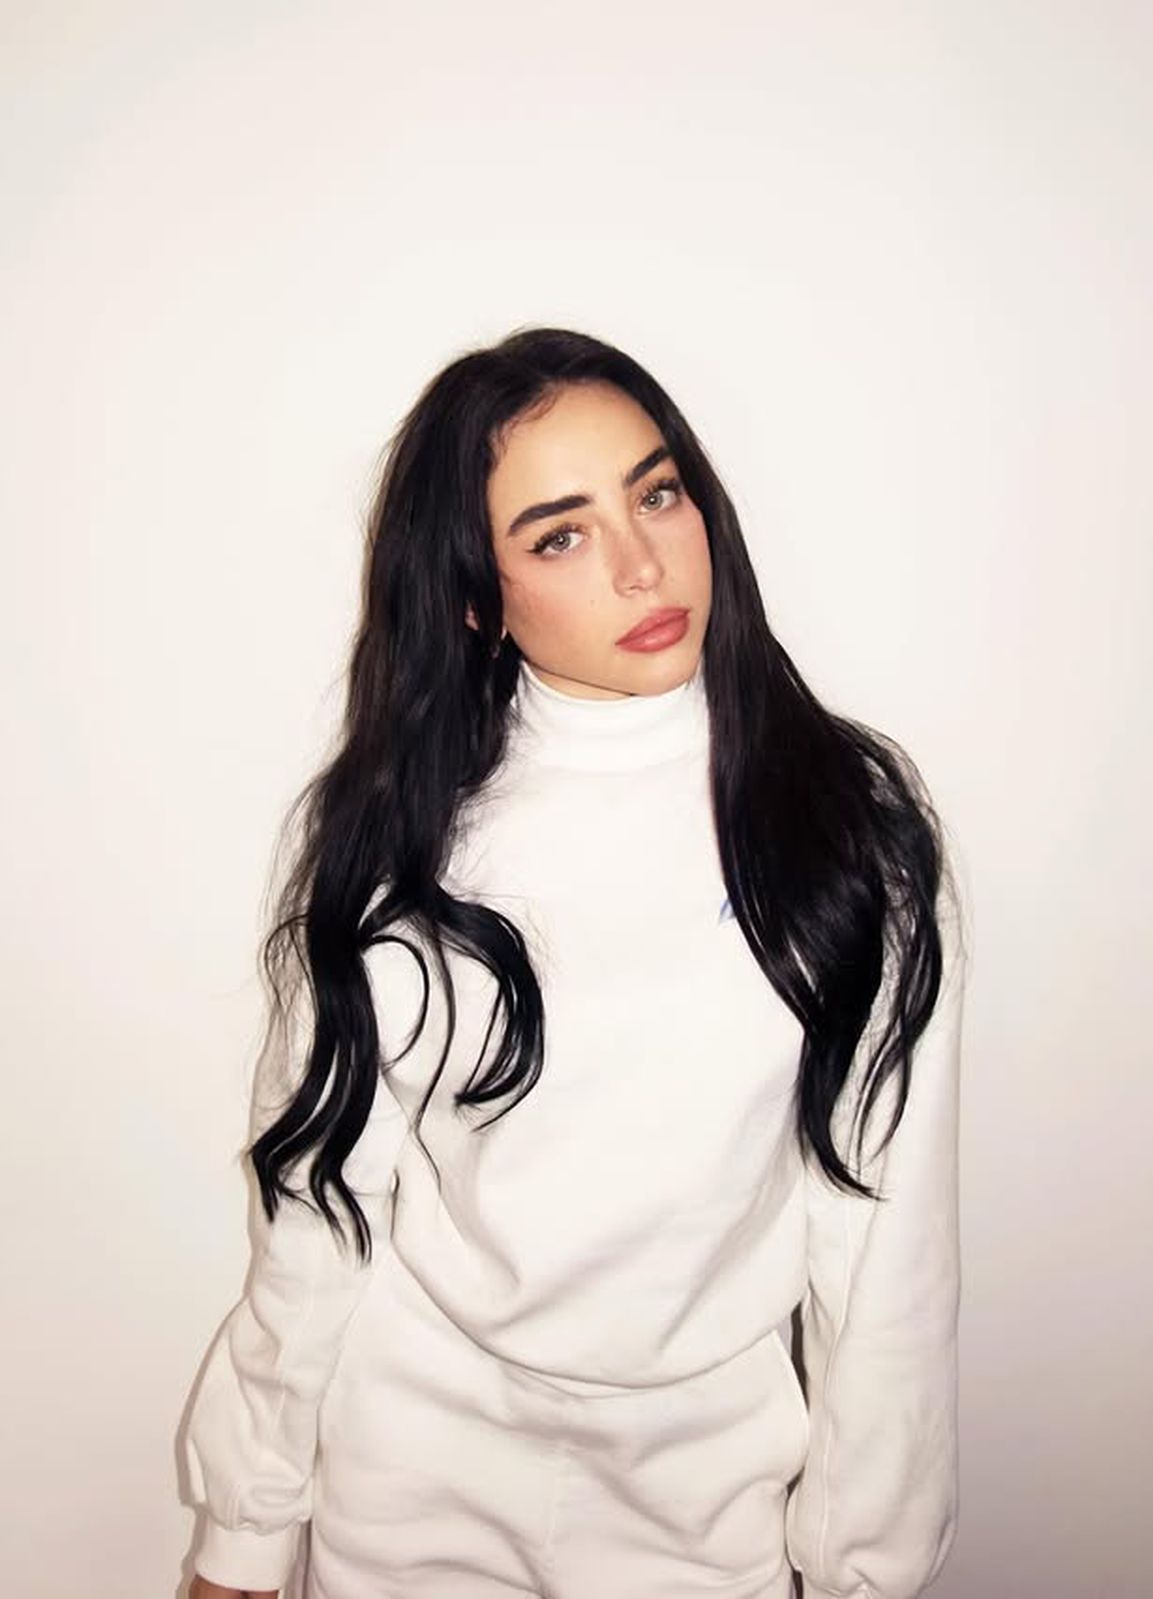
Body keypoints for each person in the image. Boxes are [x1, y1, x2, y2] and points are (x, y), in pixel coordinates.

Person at [181, 326, 967, 1599]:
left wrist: (863, 1569)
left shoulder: (848, 831)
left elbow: (888, 1253)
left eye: (656, 494)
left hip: (706, 1499)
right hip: (411, 1478)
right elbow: (320, 1209)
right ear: (476, 600)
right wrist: (244, 1534)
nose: (642, 563)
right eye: (560, 535)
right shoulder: (410, 840)